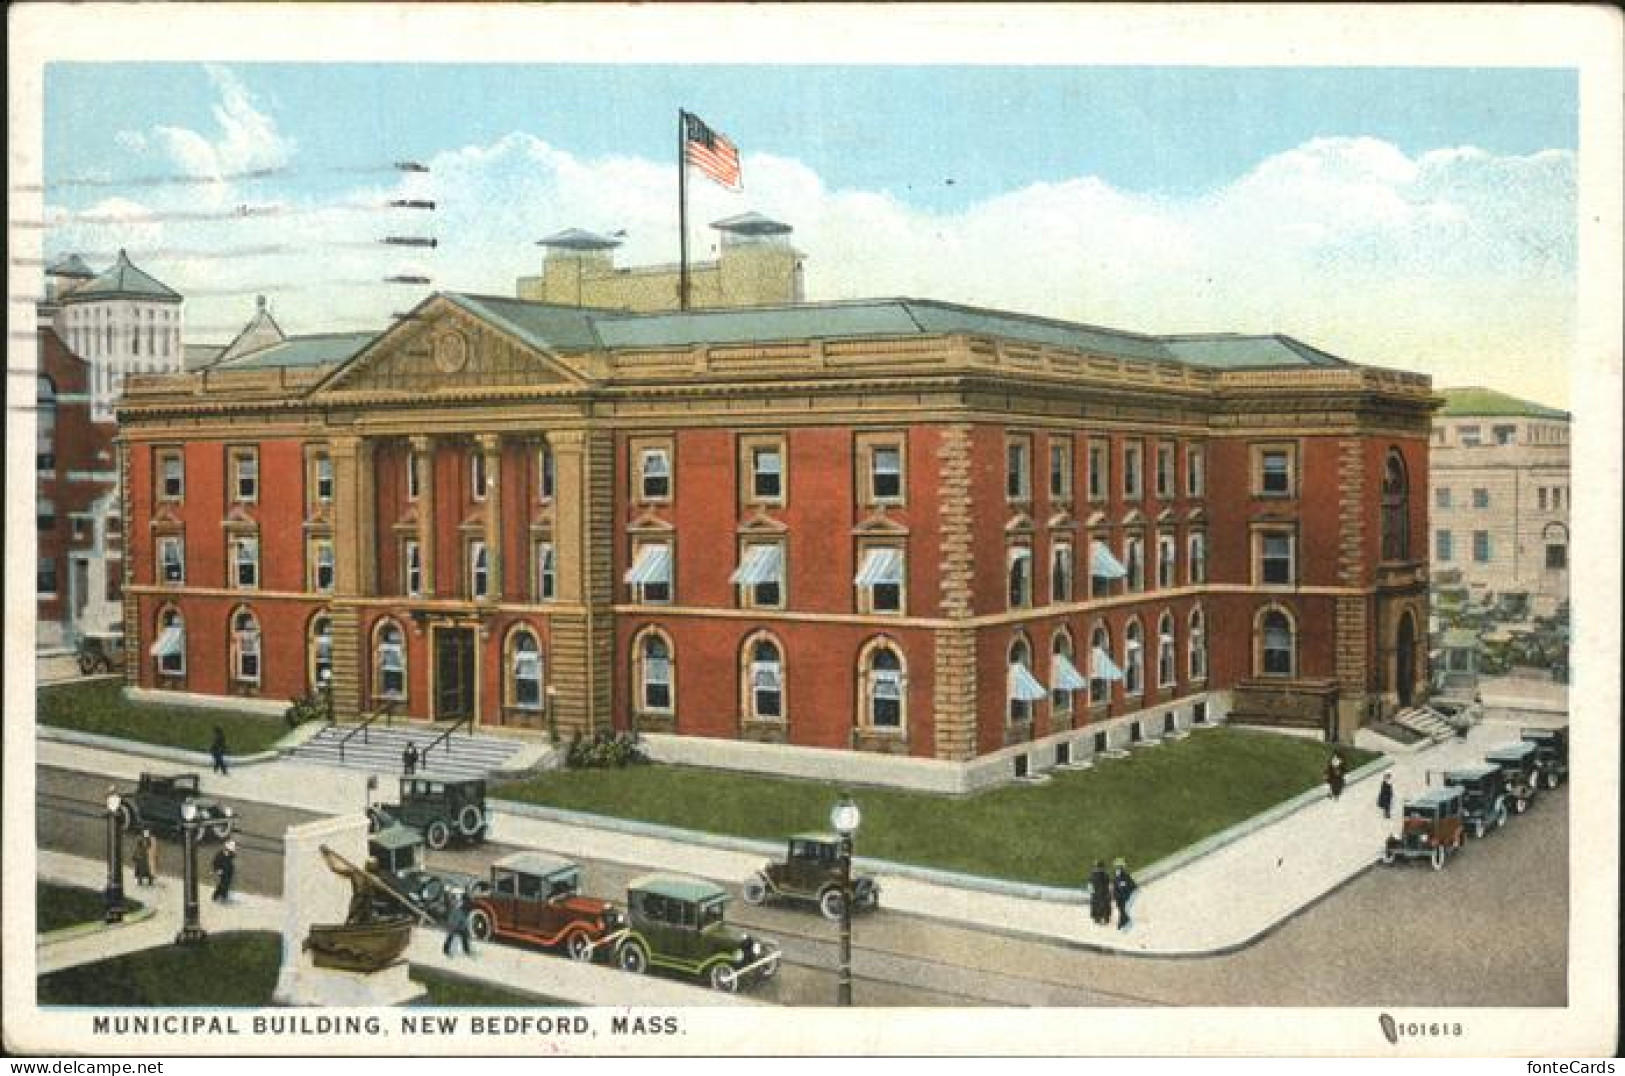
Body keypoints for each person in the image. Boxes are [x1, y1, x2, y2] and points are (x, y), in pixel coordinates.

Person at [443, 891, 475, 957]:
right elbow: (456, 913)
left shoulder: (465, 905)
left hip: (459, 922)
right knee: (453, 936)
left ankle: (466, 950)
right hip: (457, 922)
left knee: (463, 936)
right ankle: (446, 950)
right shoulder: (462, 905)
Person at [1111, 858, 1139, 932]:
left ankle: (1123, 923)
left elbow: (1129, 887)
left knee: (1123, 910)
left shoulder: (1124, 877)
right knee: (1121, 910)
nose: (1117, 871)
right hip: (1119, 897)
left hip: (1123, 897)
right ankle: (1124, 922)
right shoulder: (1117, 877)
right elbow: (1115, 887)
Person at [1087, 860, 1112, 926]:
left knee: (1097, 905)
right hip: (1103, 894)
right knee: (1105, 905)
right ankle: (1104, 918)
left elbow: (1090, 886)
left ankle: (1098, 918)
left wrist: (1092, 893)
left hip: (1097, 895)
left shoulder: (1092, 875)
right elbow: (1109, 885)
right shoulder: (1105, 875)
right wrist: (1110, 892)